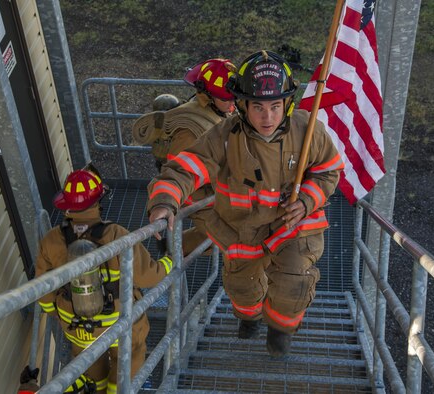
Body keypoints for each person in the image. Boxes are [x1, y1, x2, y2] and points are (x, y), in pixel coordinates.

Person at [146, 50, 344, 357]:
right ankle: (249, 317)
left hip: (291, 226)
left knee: (293, 284)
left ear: (287, 104)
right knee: (242, 290)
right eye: (258, 107)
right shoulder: (225, 137)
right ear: (242, 106)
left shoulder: (307, 131)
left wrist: (307, 201)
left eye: (276, 106)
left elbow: (328, 169)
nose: (268, 117)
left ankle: (280, 331)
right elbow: (186, 167)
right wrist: (164, 202)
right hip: (241, 231)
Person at [35, 168, 173, 393]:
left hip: (78, 328)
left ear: (67, 206)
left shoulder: (51, 239)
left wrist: (61, 315)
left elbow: (43, 292)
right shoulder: (116, 235)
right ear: (99, 202)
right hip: (121, 325)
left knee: (91, 374)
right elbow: (148, 276)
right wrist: (170, 262)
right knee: (127, 365)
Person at [133, 58, 237, 255]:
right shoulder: (190, 130)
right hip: (197, 196)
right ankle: (173, 251)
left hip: (214, 190)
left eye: (234, 98)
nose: (232, 105)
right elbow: (182, 170)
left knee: (229, 234)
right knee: (230, 238)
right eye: (226, 99)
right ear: (208, 96)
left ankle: (174, 248)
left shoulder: (217, 113)